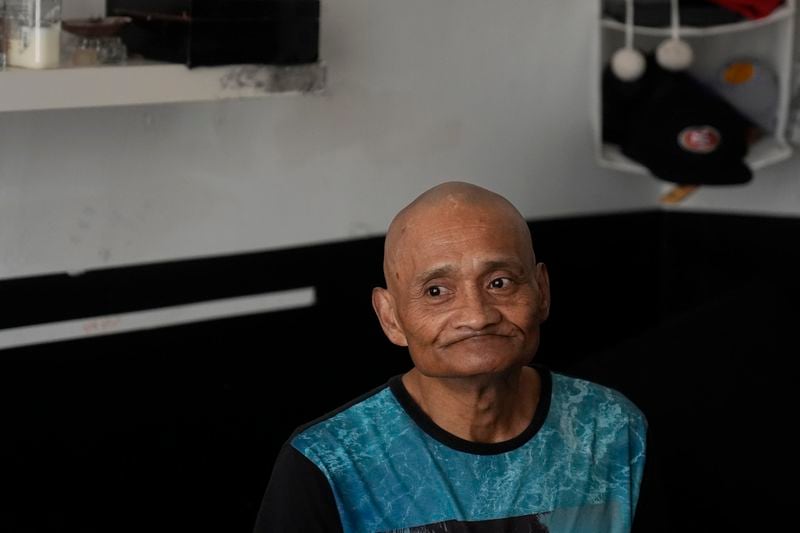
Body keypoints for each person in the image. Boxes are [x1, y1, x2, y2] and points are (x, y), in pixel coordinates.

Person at [254, 181, 649, 532]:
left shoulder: (613, 427)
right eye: (436, 292)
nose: (477, 316)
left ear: (541, 291)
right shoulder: (328, 462)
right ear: (391, 317)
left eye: (500, 282)